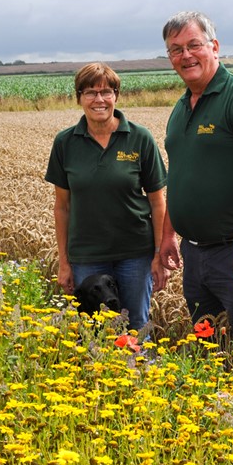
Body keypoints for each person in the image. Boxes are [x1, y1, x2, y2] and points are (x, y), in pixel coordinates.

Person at [158, 11, 233, 353]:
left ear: (214, 47)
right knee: (208, 346)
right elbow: (179, 175)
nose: (185, 56)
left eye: (193, 45)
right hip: (195, 253)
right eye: (175, 49)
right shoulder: (182, 107)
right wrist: (168, 234)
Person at [45, 62, 168, 331]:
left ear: (116, 96)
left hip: (135, 253)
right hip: (87, 256)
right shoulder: (65, 143)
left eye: (106, 92)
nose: (99, 99)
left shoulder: (140, 138)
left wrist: (159, 255)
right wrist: (64, 263)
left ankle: (139, 373)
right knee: (92, 329)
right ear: (79, 98)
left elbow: (158, 201)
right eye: (90, 92)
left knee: (135, 325)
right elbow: (62, 207)